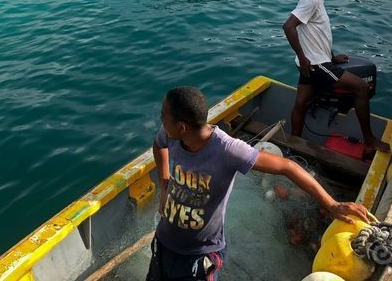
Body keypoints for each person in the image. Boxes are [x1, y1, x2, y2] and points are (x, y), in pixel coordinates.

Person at [148, 86, 372, 281]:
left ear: (182, 127)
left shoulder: (228, 149)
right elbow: (158, 147)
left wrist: (332, 205)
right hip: (164, 246)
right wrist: (165, 182)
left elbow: (288, 167)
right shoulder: (170, 135)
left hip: (198, 257)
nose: (160, 119)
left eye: (163, 115)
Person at [282, 0, 389, 154]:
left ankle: (293, 144)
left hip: (313, 63)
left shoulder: (317, 1)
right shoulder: (311, 0)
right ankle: (370, 140)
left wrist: (332, 57)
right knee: (362, 88)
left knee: (301, 104)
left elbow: (316, 36)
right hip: (315, 65)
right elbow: (288, 26)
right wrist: (303, 57)